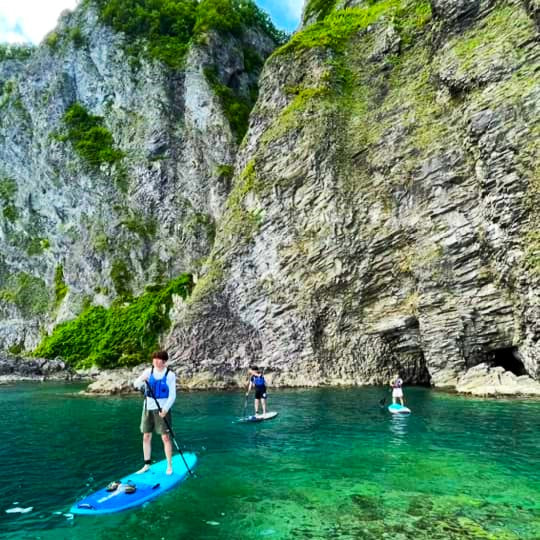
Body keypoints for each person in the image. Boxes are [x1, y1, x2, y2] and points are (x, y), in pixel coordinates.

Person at [133, 350, 176, 475]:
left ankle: (169, 465)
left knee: (165, 437)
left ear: (164, 361)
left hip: (163, 409)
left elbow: (172, 395)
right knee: (146, 436)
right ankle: (147, 464)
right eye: (154, 359)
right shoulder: (148, 372)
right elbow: (136, 384)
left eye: (159, 359)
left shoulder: (170, 375)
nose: (156, 362)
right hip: (148, 408)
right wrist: (142, 379)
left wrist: (166, 409)